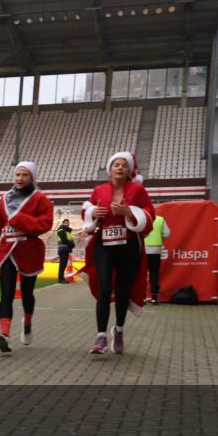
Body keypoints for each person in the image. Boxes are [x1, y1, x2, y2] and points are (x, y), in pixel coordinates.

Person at [80, 152, 155, 355]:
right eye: (116, 165)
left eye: (124, 165)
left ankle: (119, 330)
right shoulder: (99, 190)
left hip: (128, 244)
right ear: (110, 169)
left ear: (129, 170)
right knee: (105, 287)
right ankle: (101, 337)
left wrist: (129, 213)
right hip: (103, 243)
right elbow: (87, 211)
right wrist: (93, 214)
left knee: (123, 289)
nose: (120, 168)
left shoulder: (138, 189)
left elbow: (150, 213)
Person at [0, 162, 53, 352]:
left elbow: (45, 223)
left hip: (29, 250)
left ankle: (28, 322)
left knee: (27, 294)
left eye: (24, 175)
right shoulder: (4, 198)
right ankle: (4, 335)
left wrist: (21, 220)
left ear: (32, 177)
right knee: (6, 293)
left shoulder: (41, 199)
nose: (20, 178)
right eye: (17, 174)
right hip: (7, 250)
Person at [144, 213, 172, 304]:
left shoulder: (143, 218)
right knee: (154, 274)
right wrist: (161, 238)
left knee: (142, 274)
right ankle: (154, 298)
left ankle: (142, 297)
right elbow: (167, 233)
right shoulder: (160, 219)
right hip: (156, 249)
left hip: (143, 249)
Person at [56, 218, 74, 283]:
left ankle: (61, 278)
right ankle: (60, 279)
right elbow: (64, 239)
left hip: (66, 249)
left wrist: (72, 244)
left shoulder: (67, 231)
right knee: (62, 264)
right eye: (66, 222)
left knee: (63, 264)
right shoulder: (61, 229)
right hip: (63, 249)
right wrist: (71, 244)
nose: (67, 223)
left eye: (68, 222)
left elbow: (70, 239)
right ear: (63, 223)